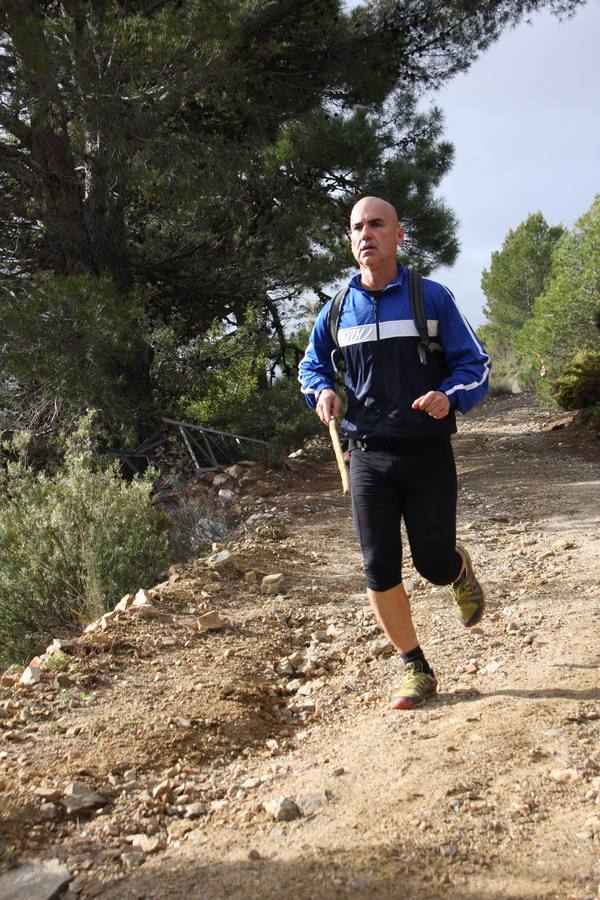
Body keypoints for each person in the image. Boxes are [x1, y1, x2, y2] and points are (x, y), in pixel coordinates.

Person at [299, 196, 491, 710]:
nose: (367, 234)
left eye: (377, 224)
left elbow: (476, 364)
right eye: (358, 227)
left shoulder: (432, 299)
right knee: (378, 567)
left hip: (427, 452)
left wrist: (449, 395)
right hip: (367, 457)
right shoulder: (337, 310)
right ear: (350, 240)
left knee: (430, 562)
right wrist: (321, 392)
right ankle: (415, 667)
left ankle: (455, 570)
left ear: (399, 235)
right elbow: (311, 367)